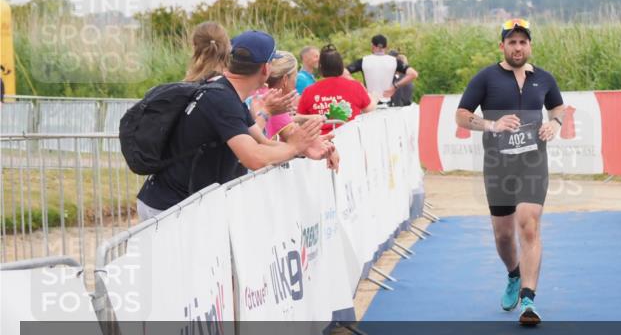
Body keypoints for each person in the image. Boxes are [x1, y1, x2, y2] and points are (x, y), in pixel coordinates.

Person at [136, 31, 336, 220]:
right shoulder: (222, 100)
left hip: (176, 203)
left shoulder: (228, 94)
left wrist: (304, 148)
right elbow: (254, 158)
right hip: (169, 208)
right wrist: (294, 146)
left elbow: (263, 143)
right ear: (266, 69)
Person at [455, 19, 564, 326]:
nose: (518, 47)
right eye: (512, 42)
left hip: (532, 163)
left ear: (530, 45)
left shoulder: (544, 79)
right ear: (502, 46)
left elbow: (558, 108)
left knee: (528, 224)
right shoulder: (486, 78)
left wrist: (554, 124)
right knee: (504, 236)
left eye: (523, 42)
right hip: (498, 165)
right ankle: (513, 275)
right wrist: (492, 124)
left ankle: (528, 300)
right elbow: (461, 116)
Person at [298, 45, 375, 133]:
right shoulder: (355, 86)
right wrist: (374, 97)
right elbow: (370, 110)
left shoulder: (309, 91)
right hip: (350, 139)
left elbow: (300, 119)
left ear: (321, 67)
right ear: (341, 66)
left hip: (321, 141)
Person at [347, 34, 418, 103]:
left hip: (370, 103)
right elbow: (413, 74)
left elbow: (343, 72)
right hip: (388, 104)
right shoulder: (394, 61)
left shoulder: (363, 61)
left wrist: (359, 85)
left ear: (372, 46)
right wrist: (395, 86)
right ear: (386, 47)